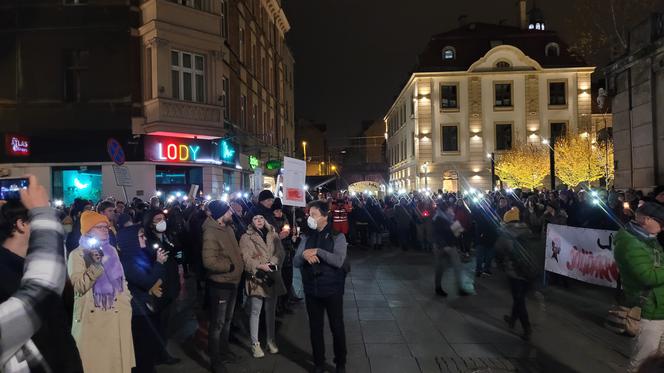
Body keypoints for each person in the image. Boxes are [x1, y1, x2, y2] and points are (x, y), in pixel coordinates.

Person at [0, 176, 82, 373]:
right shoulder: (4, 276)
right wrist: (43, 213)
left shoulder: (30, 265)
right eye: (34, 219)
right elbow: (41, 289)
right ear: (21, 224)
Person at [68, 210, 135, 373]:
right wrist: (95, 266)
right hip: (95, 320)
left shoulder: (111, 251)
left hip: (118, 315)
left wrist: (127, 298)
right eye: (100, 227)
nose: (106, 229)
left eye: (106, 226)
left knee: (117, 364)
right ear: (88, 230)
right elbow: (79, 286)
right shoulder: (77, 255)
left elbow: (121, 280)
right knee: (98, 365)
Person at [293, 200, 348, 373]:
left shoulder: (337, 236)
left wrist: (318, 251)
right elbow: (296, 261)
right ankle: (318, 362)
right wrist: (304, 254)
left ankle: (340, 363)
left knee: (336, 327)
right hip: (312, 290)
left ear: (325, 217)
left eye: (314, 215)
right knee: (315, 328)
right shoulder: (306, 236)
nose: (310, 217)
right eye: (310, 214)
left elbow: (338, 261)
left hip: (332, 289)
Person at [613, 203, 664, 372]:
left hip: (659, 307)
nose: (662, 228)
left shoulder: (648, 238)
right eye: (661, 223)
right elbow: (648, 275)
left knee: (658, 361)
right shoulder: (630, 243)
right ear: (647, 220)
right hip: (649, 310)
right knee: (643, 362)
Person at [117, 224, 167, 373]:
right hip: (137, 312)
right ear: (131, 240)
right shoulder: (127, 261)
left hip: (145, 308)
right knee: (142, 352)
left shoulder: (140, 255)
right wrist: (159, 263)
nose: (144, 238)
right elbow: (148, 282)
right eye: (140, 236)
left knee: (147, 351)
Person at [202, 201, 245, 373]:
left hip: (232, 281)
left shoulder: (227, 227)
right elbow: (209, 261)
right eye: (228, 211)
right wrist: (230, 267)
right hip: (220, 284)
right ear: (221, 214)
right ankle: (215, 360)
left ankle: (224, 351)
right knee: (217, 324)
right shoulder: (211, 233)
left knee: (227, 321)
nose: (231, 213)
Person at [240, 214, 285, 358]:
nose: (259, 220)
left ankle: (270, 340)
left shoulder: (273, 234)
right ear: (251, 221)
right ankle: (255, 344)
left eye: (261, 217)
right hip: (257, 278)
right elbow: (245, 258)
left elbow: (280, 252)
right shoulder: (246, 237)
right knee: (255, 311)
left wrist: (273, 263)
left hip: (272, 276)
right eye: (255, 218)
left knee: (271, 311)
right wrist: (259, 266)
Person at [494, 209, 542, 341]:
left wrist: (500, 266)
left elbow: (498, 252)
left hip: (515, 272)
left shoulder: (505, 234)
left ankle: (527, 328)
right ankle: (512, 320)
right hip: (530, 270)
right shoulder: (527, 231)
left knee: (519, 300)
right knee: (519, 298)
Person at [142, 210, 181, 365]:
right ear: (150, 223)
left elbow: (176, 249)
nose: (161, 222)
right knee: (158, 323)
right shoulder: (147, 240)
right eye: (157, 219)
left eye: (163, 219)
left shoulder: (168, 235)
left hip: (171, 283)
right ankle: (158, 354)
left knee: (165, 322)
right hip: (158, 286)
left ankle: (161, 351)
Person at [431, 202, 470, 297]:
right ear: (445, 209)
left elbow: (457, 233)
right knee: (440, 268)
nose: (452, 210)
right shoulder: (438, 219)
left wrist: (460, 230)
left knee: (457, 266)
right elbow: (437, 235)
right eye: (450, 208)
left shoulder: (450, 218)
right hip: (440, 247)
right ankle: (438, 287)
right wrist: (444, 245)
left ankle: (460, 288)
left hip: (451, 246)